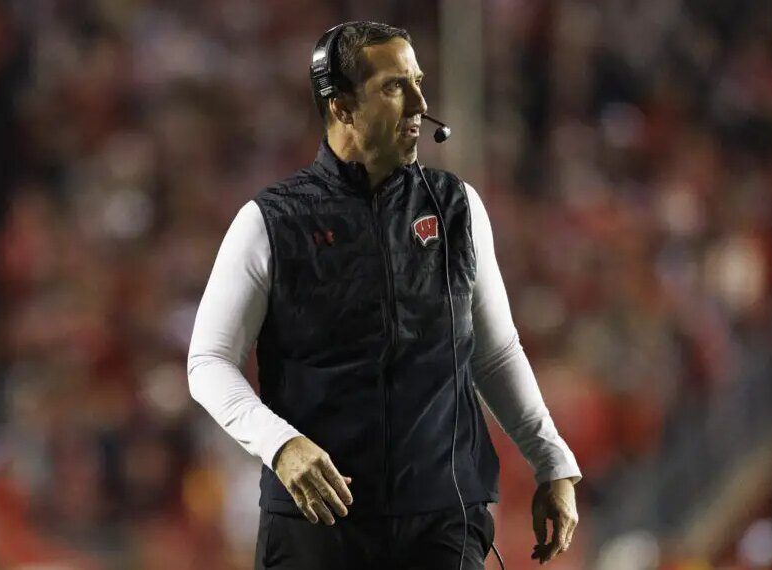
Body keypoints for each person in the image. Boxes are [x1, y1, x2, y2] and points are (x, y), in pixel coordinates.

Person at [187, 21, 581, 569]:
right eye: (395, 87)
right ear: (341, 106)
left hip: (442, 519)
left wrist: (551, 460)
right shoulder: (269, 221)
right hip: (317, 522)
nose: (420, 102)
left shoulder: (456, 208)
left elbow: (494, 353)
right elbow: (208, 361)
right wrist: (280, 444)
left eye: (418, 82)